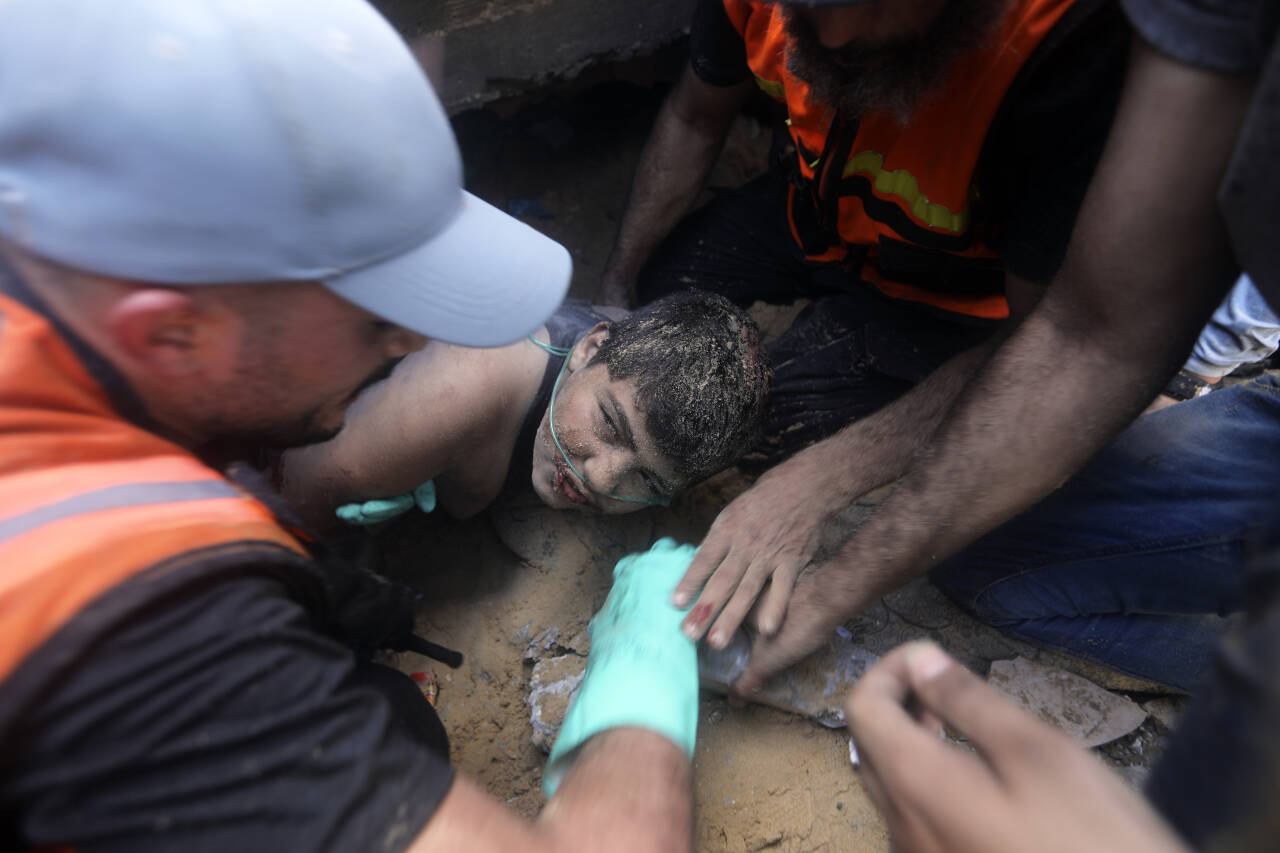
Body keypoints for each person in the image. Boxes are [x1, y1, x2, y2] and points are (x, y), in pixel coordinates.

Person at [0, 1, 701, 851]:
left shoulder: (48, 249)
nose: (411, 344)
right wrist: (646, 677)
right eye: (373, 319)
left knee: (393, 717)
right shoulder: (136, 616)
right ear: (171, 333)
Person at [685, 0, 1280, 845]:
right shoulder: (1211, 25)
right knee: (986, 565)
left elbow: (1068, 327)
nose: (835, 39)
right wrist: (836, 580)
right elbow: (1091, 334)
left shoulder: (1064, 52)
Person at [598, 0, 1130, 470]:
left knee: (740, 429)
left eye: (875, 3)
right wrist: (617, 286)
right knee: (650, 313)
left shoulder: (1057, 47)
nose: (833, 37)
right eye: (807, 6)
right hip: (808, 210)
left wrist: (829, 479)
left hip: (941, 294)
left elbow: (1039, 332)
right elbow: (694, 119)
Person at [275, 292, 770, 531]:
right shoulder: (455, 397)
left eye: (650, 482)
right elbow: (281, 499)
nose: (603, 479)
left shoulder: (625, 368)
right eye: (610, 426)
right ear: (589, 349)